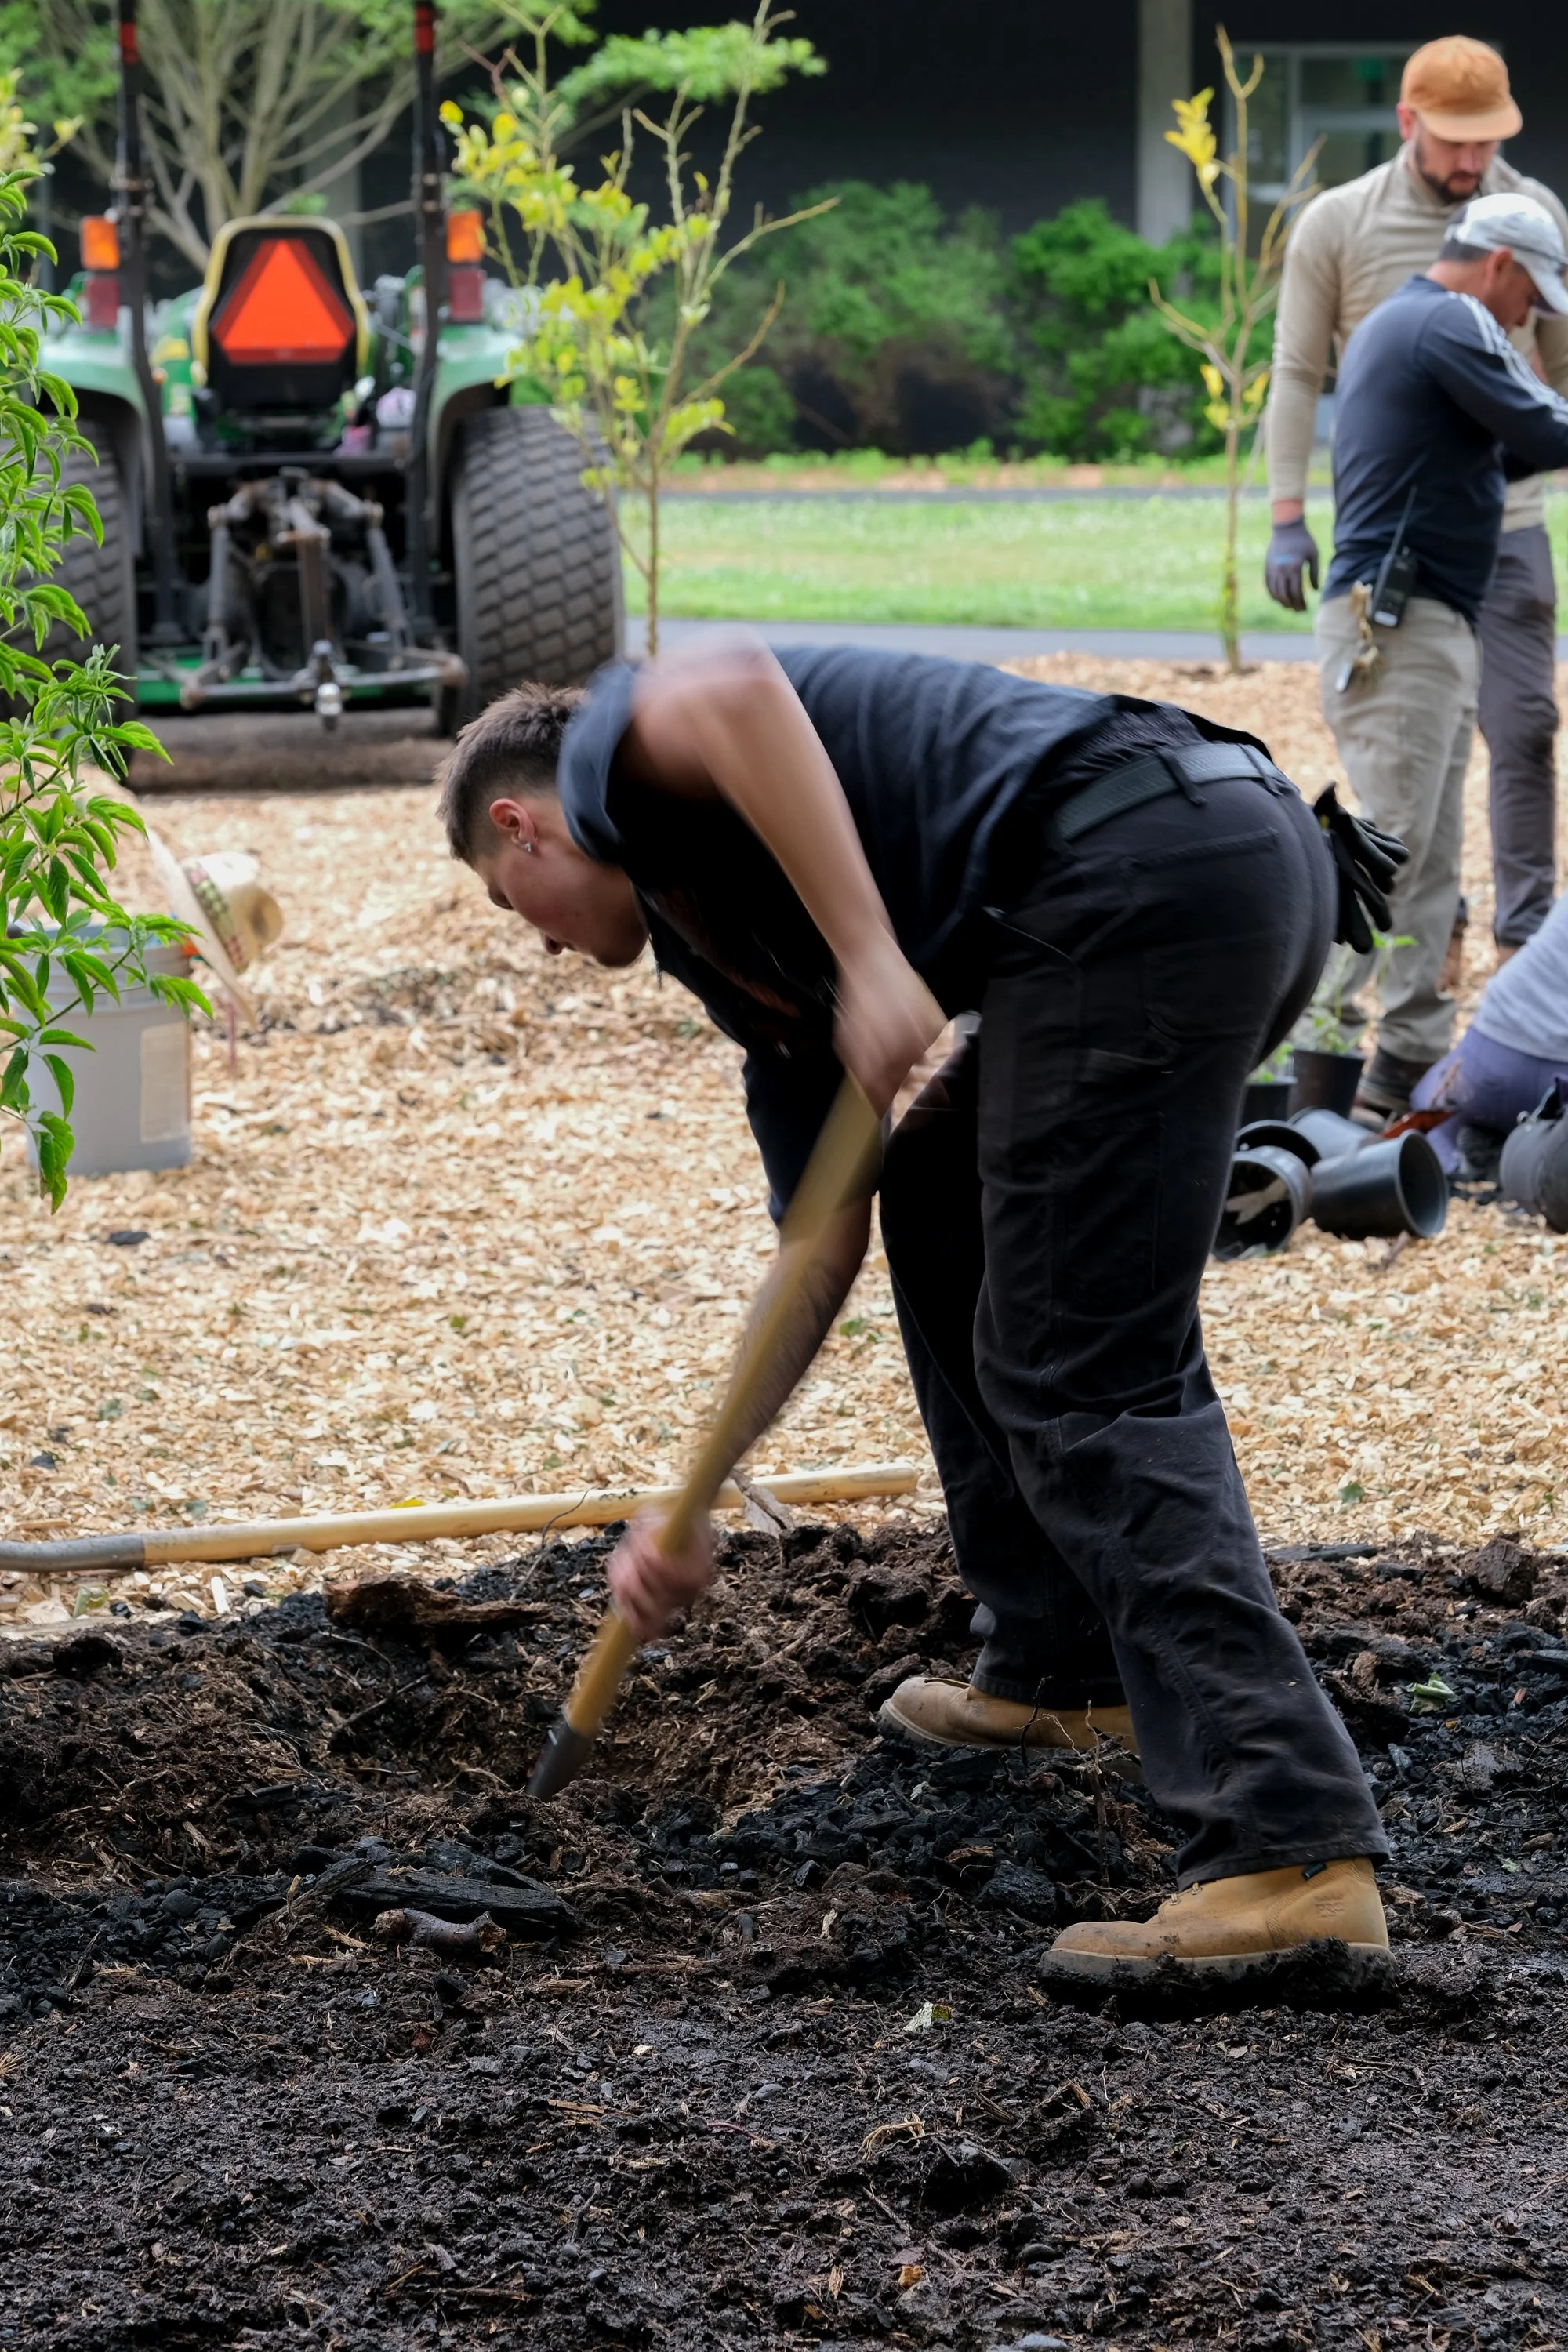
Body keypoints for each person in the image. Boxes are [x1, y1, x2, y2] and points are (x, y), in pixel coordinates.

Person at [436, 639, 1399, 1976]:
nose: (536, 940)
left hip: (1150, 864)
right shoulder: (750, 963)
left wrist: (872, 950)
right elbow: (816, 1254)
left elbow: (729, 684)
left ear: (519, 822)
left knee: (1077, 1362)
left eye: (508, 899)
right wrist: (698, 1495)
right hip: (1189, 867)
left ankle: (1285, 1847)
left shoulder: (608, 756)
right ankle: (1066, 1663)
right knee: (936, 1196)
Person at [1265, 36, 1568, 996]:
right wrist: (1283, 513)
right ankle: (1361, 1001)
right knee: (1400, 811)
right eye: (1452, 143)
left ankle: (1516, 946)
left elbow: (1550, 389)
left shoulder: (1528, 217)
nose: (1471, 163)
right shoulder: (1342, 225)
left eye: (1488, 143)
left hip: (1503, 516)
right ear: (1406, 124)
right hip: (1398, 550)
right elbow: (1294, 370)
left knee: (1519, 727)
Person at [1295, 191, 1568, 1126]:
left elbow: (1498, 458)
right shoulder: (1444, 321)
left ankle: (1396, 1079)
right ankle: (1312, 1069)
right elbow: (1547, 431)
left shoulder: (1410, 325)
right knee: (1386, 848)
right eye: (1530, 295)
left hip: (1425, 621)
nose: (1528, 317)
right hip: (1395, 627)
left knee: (1427, 858)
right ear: (1497, 263)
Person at [1407, 890, 1568, 1175]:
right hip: (1554, 1079)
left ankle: (1450, 1146)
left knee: (1436, 1092)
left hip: (1484, 1058)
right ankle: (1529, 1157)